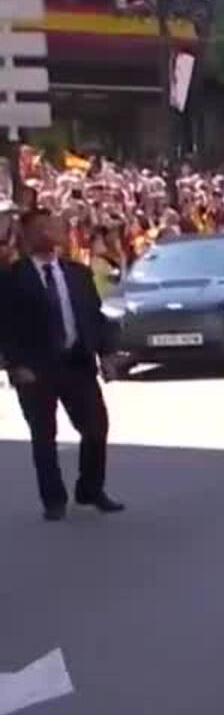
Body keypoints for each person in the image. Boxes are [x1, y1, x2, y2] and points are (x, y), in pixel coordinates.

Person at [0, 207, 122, 521]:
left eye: (52, 226)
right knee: (44, 435)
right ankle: (53, 499)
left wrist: (106, 355)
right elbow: (5, 327)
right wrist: (14, 365)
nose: (49, 233)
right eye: (41, 228)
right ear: (27, 237)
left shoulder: (77, 273)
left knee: (96, 428)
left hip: (76, 363)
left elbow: (94, 317)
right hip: (35, 369)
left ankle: (90, 489)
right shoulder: (13, 278)